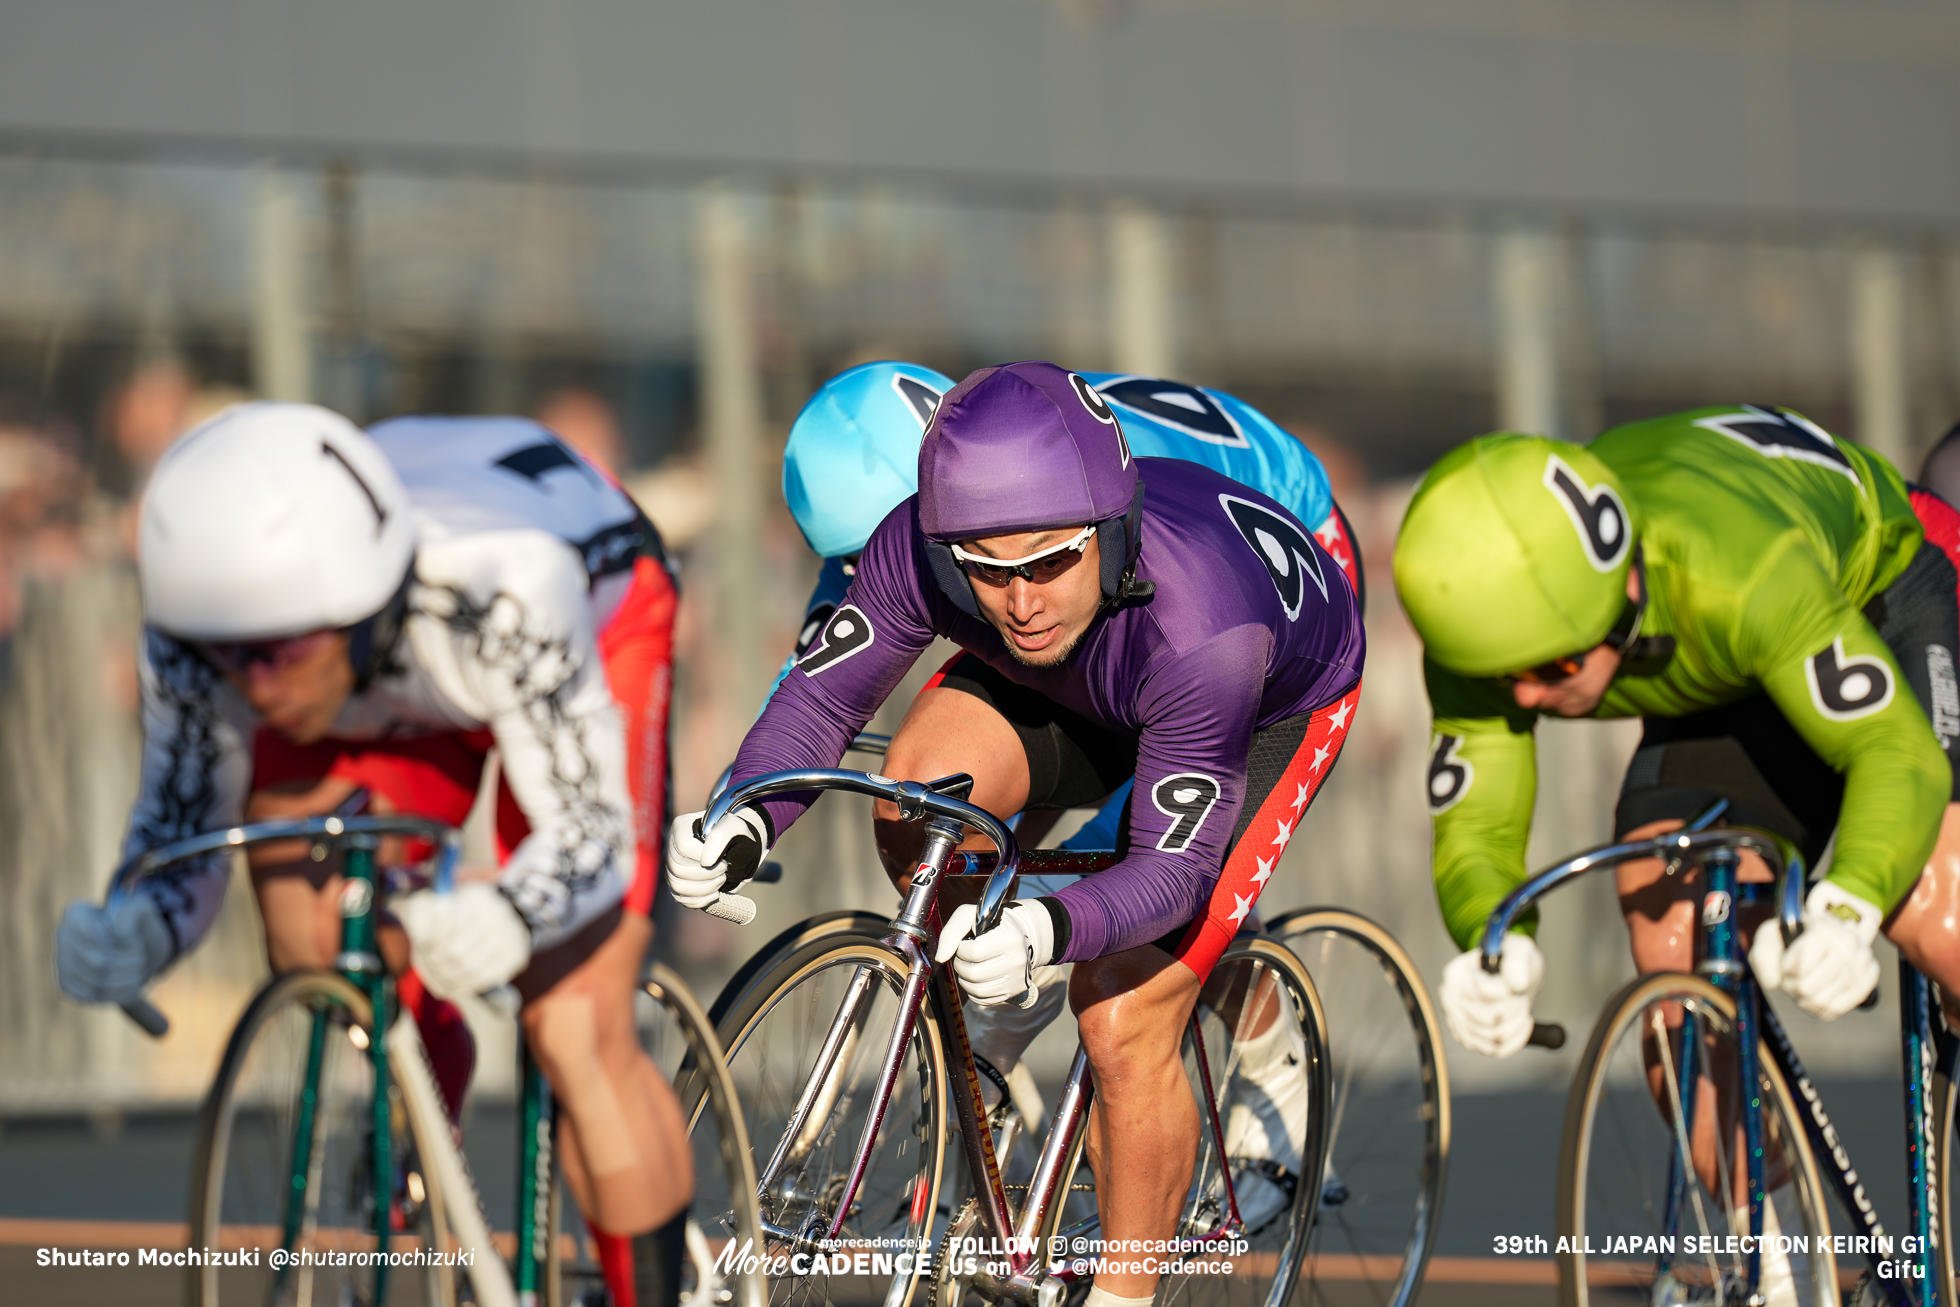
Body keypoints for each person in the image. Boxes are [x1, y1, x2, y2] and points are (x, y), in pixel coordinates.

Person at [671, 360, 1366, 1307]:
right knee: (916, 807)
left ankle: (1130, 1275)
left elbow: (1172, 868)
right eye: (987, 572)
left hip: (1256, 681)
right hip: (1082, 670)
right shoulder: (920, 542)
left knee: (1123, 1007)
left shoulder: (1207, 626)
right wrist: (744, 810)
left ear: (1109, 526)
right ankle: (987, 1046)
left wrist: (1049, 931)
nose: (1021, 600)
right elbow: (819, 698)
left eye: (1047, 561)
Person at [54, 403, 691, 1307]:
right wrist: (139, 928)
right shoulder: (215, 634)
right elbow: (184, 826)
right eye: (227, 657)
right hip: (392, 668)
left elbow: (591, 838)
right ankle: (426, 1057)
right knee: (313, 934)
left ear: (355, 605)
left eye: (277, 653)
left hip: (592, 606)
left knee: (574, 1022)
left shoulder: (502, 590)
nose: (254, 685)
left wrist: (511, 911)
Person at [1394, 408, 1960, 1303]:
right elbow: (1479, 820)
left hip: (1866, 595)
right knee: (1667, 947)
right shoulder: (1488, 620)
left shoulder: (1741, 571)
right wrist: (1491, 934)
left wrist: (1851, 905)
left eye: (1549, 667)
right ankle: (1781, 1254)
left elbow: (1898, 757)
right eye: (1504, 675)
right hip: (1712, 672)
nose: (1529, 695)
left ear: (1616, 596)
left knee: (1939, 911)